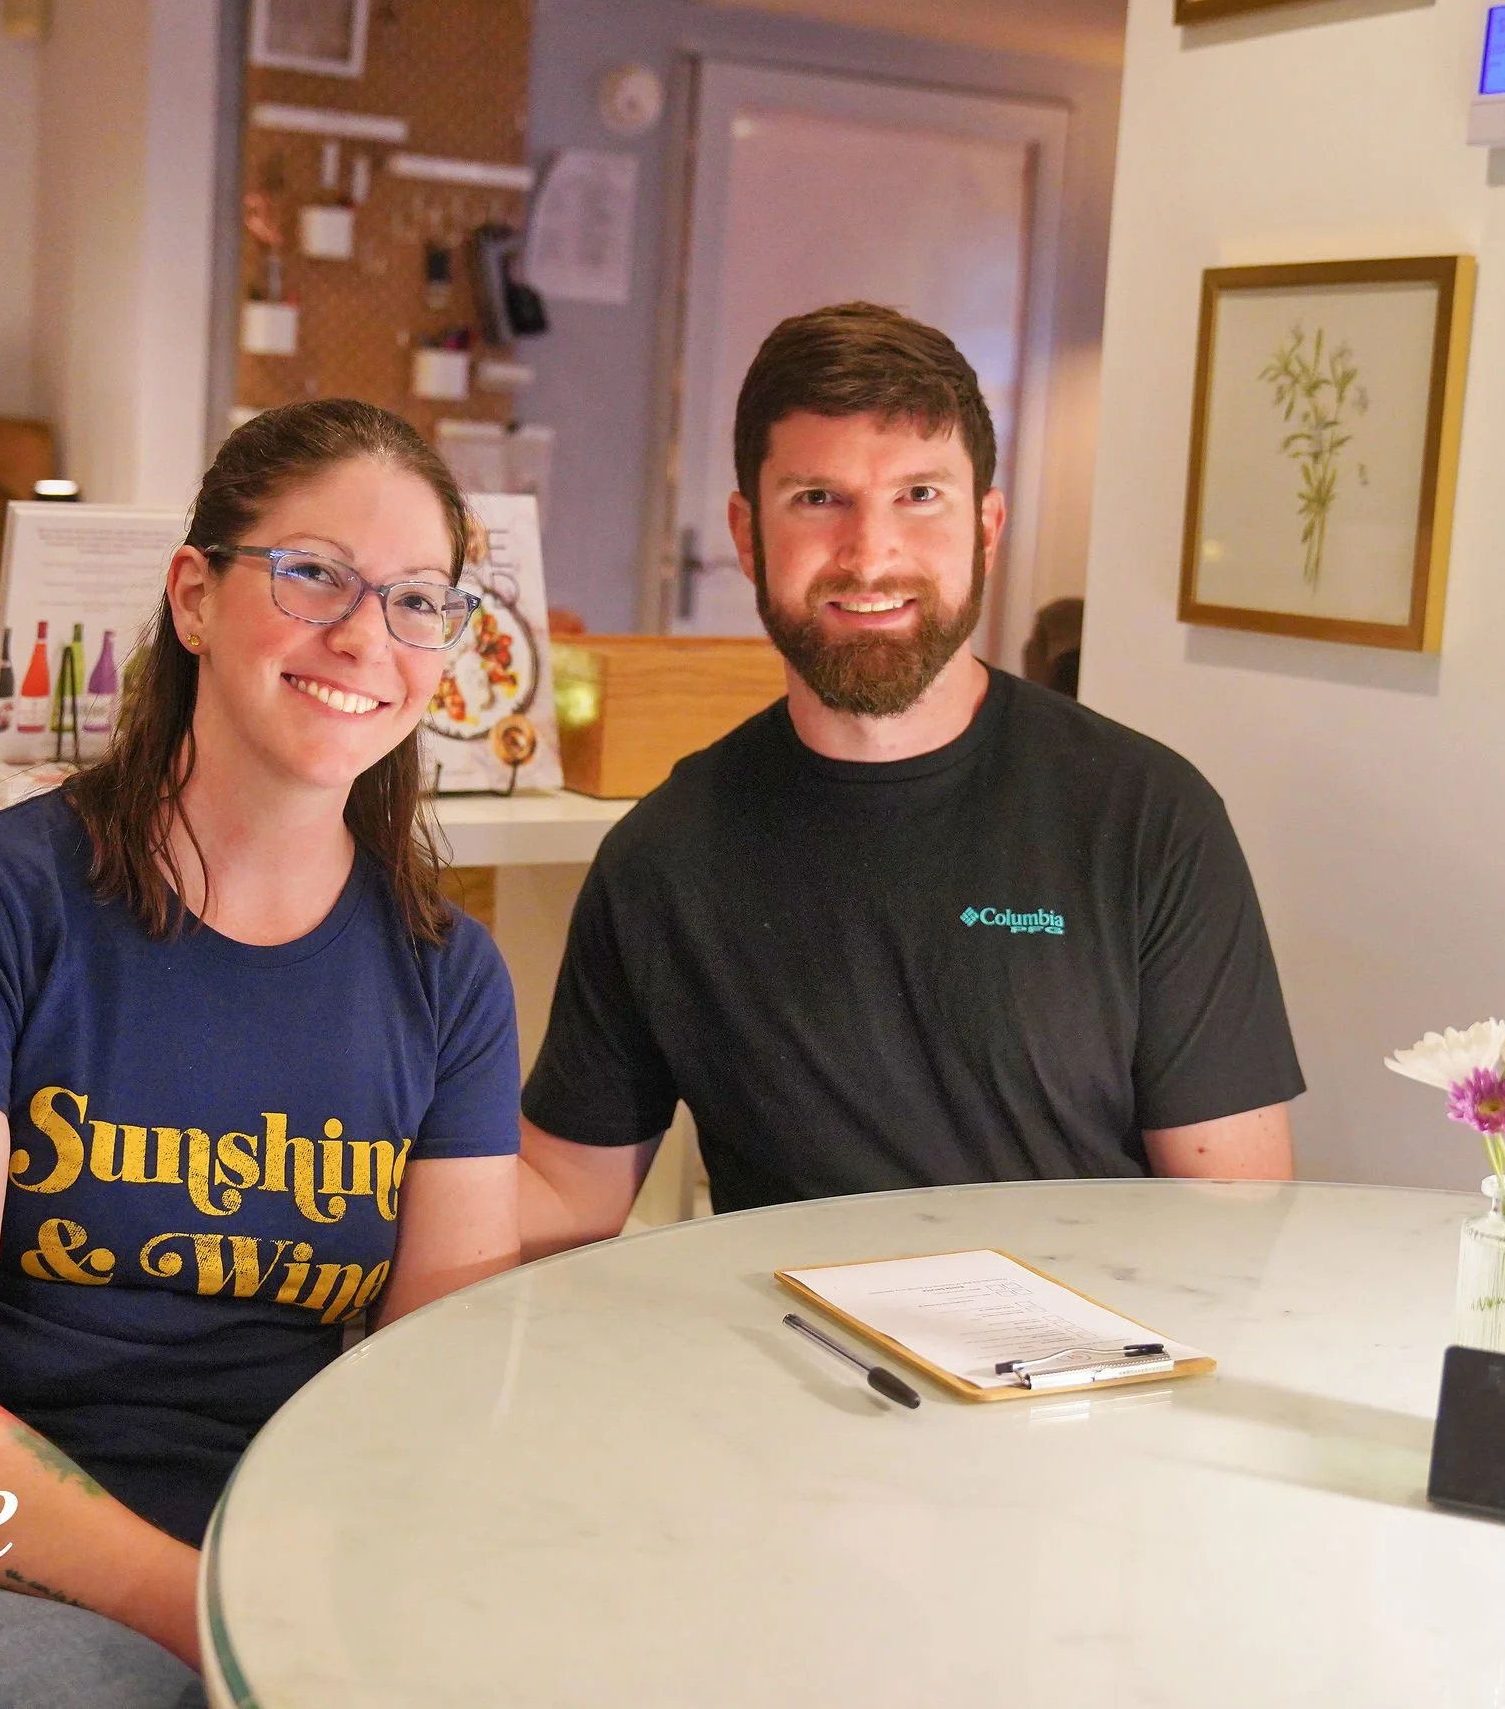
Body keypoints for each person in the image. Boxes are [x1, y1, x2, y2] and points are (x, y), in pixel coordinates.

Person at [0, 401, 522, 1707]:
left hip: (266, 1541)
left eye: (416, 599)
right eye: (312, 574)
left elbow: (430, 1411)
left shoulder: (451, 980)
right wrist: (209, 1612)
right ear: (194, 594)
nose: (364, 634)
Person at [519, 303, 1302, 1254]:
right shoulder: (665, 855)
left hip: (1086, 1375)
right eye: (817, 499)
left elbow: (1234, 1222)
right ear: (745, 532)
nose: (870, 554)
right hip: (784, 1374)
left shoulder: (1145, 816)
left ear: (988, 522)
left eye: (920, 497)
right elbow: (567, 1195)